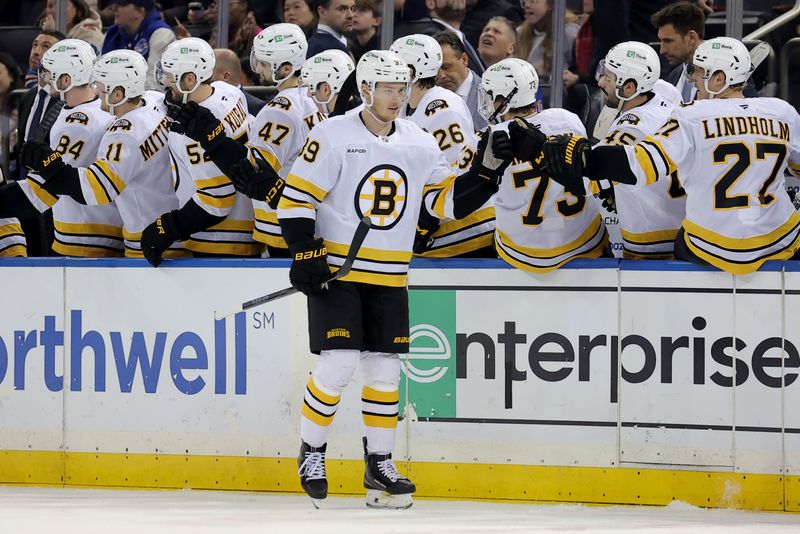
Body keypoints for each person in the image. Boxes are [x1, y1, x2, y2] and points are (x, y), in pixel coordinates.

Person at [276, 49, 513, 508]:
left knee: (385, 372)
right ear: (365, 89)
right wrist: (306, 253)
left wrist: (485, 173)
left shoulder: (419, 142)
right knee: (339, 364)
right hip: (338, 273)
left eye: (402, 89)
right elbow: (295, 199)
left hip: (389, 274)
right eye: (387, 89)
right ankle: (313, 452)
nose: (397, 98)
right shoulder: (331, 134)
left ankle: (379, 462)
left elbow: (442, 203)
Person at [541, 37, 800, 275]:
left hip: (708, 245)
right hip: (778, 240)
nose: (691, 78)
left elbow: (636, 164)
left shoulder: (692, 115)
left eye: (697, 71)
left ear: (719, 79)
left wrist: (585, 159)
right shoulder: (782, 111)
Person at [18, 50, 188, 259]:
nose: (96, 90)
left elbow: (95, 189)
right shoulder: (155, 101)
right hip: (172, 227)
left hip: (147, 238)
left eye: (101, 85)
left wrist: (50, 164)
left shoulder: (125, 134)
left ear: (118, 94)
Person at [139, 37, 259, 266]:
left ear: (190, 79)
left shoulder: (191, 132)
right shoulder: (229, 92)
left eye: (171, 77)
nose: (166, 83)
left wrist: (169, 227)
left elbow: (216, 200)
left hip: (219, 237)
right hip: (248, 225)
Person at [480, 57, 607, 272]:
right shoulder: (567, 119)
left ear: (504, 100)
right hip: (584, 241)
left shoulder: (489, 139)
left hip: (521, 253)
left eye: (490, 96)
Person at [4, 39, 124, 257]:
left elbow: (42, 190)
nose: (46, 79)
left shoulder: (81, 125)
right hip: (87, 229)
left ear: (66, 79)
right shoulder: (89, 106)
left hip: (87, 237)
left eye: (52, 73)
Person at [390, 34, 494, 258]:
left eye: (394, 65)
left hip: (468, 224)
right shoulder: (410, 106)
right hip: (444, 215)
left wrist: (424, 222)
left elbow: (458, 175)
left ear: (411, 71)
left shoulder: (441, 108)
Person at [593, 41, 684, 259]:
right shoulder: (665, 95)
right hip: (685, 233)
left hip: (651, 243)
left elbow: (587, 169)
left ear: (630, 88)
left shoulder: (630, 129)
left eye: (608, 77)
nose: (601, 83)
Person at [102, 0, 176, 90]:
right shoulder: (111, 34)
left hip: (146, 101)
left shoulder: (161, 34)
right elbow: (98, 75)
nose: (114, 9)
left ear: (139, 11)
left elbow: (154, 84)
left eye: (121, 5)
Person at [651, 1, 704, 103]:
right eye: (661, 41)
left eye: (668, 41)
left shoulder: (722, 81)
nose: (662, 50)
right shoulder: (673, 76)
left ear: (691, 38)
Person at [516, 0, 579, 85]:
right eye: (524, 2)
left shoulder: (569, 33)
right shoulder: (520, 33)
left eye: (532, 1)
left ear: (550, 4)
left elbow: (576, 72)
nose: (526, 5)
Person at [434, 30, 486, 130]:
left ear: (464, 59)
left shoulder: (490, 93)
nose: (441, 75)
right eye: (435, 69)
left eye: (446, 67)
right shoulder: (426, 96)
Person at [212, 48, 266, 116]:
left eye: (209, 73)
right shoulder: (206, 103)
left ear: (226, 76)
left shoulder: (255, 107)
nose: (204, 78)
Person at [38, 0, 104, 52]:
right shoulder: (44, 30)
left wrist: (52, 35)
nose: (54, 10)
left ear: (78, 9)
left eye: (63, 6)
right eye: (50, 6)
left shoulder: (90, 34)